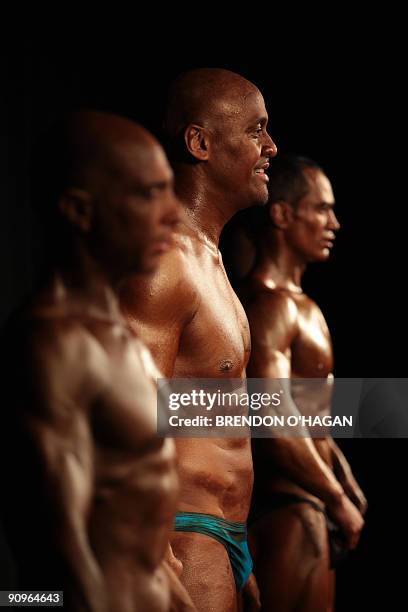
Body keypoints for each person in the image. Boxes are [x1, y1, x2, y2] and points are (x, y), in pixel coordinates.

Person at [0, 111, 196, 612]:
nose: (172, 213)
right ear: (79, 211)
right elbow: (55, 555)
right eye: (148, 193)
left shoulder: (121, 339)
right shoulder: (53, 345)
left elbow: (137, 545)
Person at [120, 68, 277, 612]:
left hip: (222, 538)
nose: (271, 147)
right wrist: (159, 550)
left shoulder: (211, 261)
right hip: (183, 534)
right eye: (256, 130)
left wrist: (241, 554)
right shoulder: (166, 262)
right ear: (200, 143)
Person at [232, 155, 366, 611]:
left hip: (310, 502)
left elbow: (311, 413)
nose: (335, 222)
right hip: (286, 509)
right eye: (321, 209)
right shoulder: (269, 307)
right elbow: (272, 419)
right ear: (283, 214)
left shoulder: (301, 305)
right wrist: (335, 495)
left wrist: (342, 478)